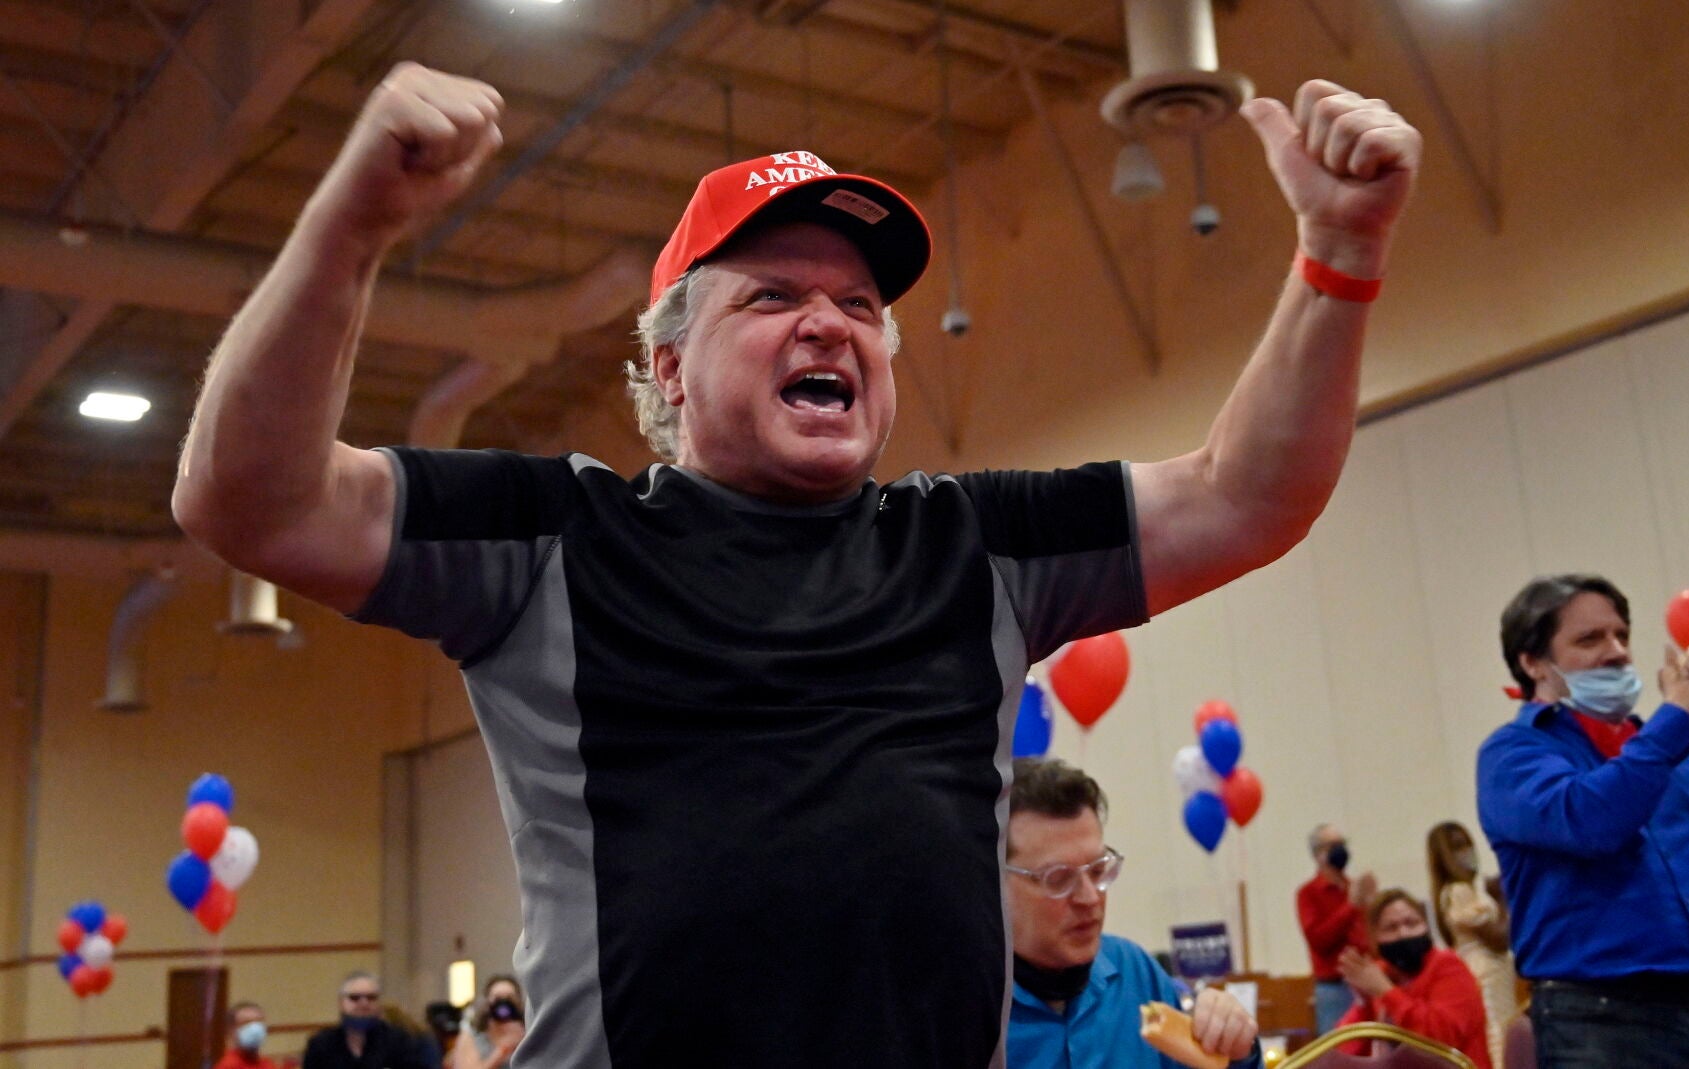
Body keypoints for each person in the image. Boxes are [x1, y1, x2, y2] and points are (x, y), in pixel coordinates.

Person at [172, 57, 1420, 1066]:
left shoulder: (973, 545)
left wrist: (1341, 250)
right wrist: (351, 228)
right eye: (771, 296)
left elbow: (1245, 496)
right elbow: (250, 501)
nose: (829, 321)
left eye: (861, 307)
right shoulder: (556, 538)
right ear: (668, 368)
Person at [1478, 574, 1689, 1068]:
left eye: (1622, 636)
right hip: (1603, 1022)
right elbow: (1593, 822)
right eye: (1590, 639)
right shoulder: (1512, 754)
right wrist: (1679, 716)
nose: (1616, 652)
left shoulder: (1666, 748)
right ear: (1532, 663)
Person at [1005, 758, 1261, 1068]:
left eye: (1098, 871)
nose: (1090, 898)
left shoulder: (1134, 972)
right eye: (1058, 879)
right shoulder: (962, 1009)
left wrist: (1234, 1050)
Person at [1336, 889, 1492, 1068]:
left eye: (1411, 923)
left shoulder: (1449, 966)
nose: (1403, 933)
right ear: (1374, 938)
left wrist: (1387, 992)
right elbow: (1344, 1051)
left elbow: (1441, 1041)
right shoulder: (1383, 972)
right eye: (1391, 928)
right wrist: (1364, 1003)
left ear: (1426, 926)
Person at [1426, 820, 1516, 1068]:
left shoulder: (1464, 891)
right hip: (1485, 973)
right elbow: (1499, 939)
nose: (1466, 852)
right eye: (1457, 847)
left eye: (1467, 844)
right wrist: (1501, 900)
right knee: (1498, 1036)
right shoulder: (1459, 892)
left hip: (1493, 972)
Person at [1297, 823, 1376, 1032]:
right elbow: (1319, 940)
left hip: (1367, 981)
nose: (1340, 850)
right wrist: (1351, 906)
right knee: (1339, 1046)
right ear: (1318, 854)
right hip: (1335, 988)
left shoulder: (1353, 887)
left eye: (1342, 844)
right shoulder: (1308, 893)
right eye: (1333, 845)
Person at [302, 972, 434, 1069]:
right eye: (354, 998)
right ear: (341, 1003)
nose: (364, 1003)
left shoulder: (401, 1042)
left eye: (371, 998)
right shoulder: (321, 1045)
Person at [452, 975, 526, 1069]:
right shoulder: (471, 1035)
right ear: (487, 1002)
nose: (504, 1003)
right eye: (497, 998)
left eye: (510, 998)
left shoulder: (528, 1031)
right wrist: (503, 1049)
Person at [213, 1001, 281, 1069]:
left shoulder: (268, 1063)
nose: (255, 1028)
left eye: (259, 1021)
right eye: (246, 1022)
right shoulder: (228, 1065)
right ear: (232, 1031)